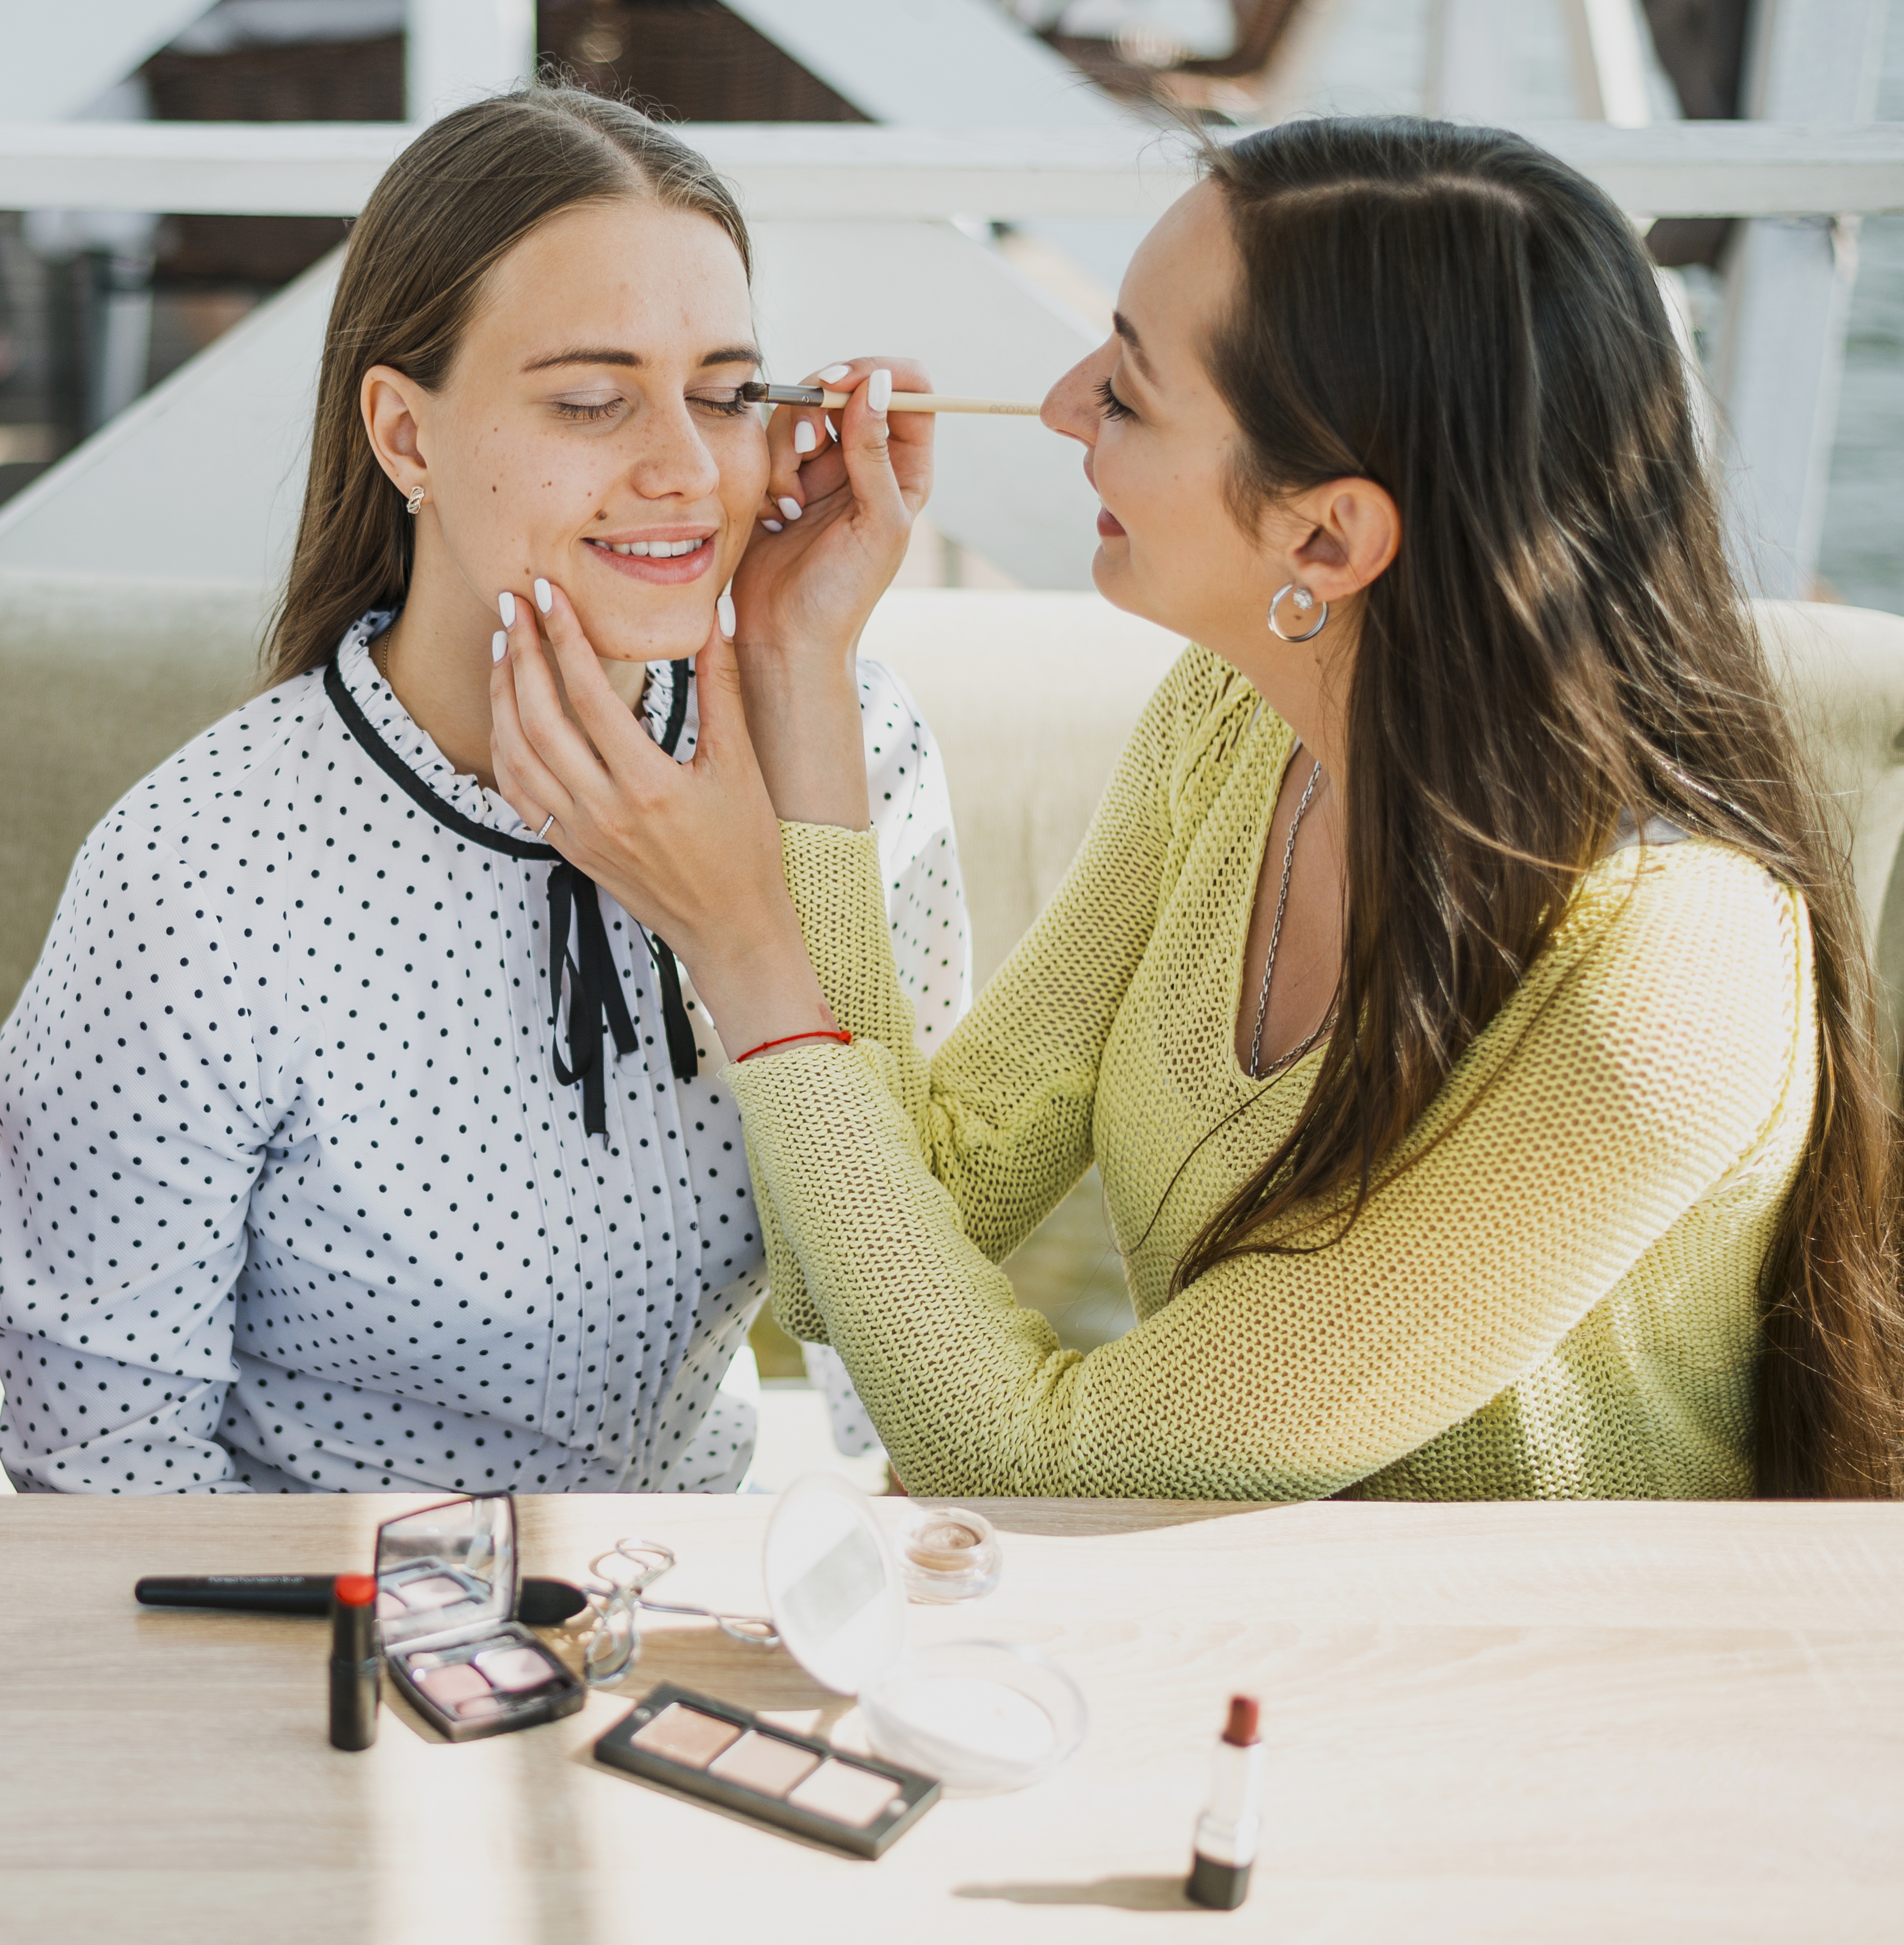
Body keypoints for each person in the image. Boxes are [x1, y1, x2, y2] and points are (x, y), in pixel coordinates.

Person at [489, 117, 1904, 1501]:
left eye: (1130, 390)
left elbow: (1030, 1459)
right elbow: (856, 1251)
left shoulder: (1669, 983)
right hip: (1251, 1664)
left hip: (1543, 1711)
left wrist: (742, 939)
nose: (1059, 406)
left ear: (1328, 537)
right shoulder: (1235, 732)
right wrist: (797, 665)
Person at [0, 87, 967, 1493]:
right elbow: (95, 1464)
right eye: (590, 399)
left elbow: (915, 1384)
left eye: (726, 393)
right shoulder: (196, 871)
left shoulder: (849, 738)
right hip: (315, 1644)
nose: (687, 471)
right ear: (405, 437)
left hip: (696, 1607)